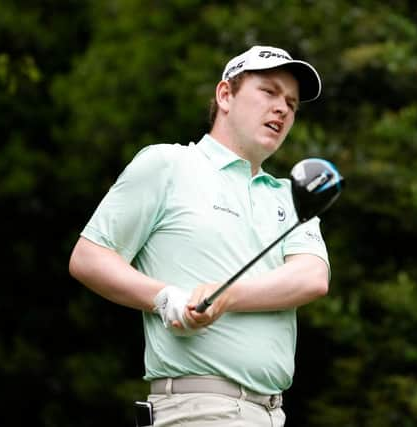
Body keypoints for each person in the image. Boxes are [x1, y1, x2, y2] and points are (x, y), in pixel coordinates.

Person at [69, 45, 330, 426]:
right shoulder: (168, 165)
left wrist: (226, 294)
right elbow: (89, 257)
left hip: (272, 414)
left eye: (291, 103)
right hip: (200, 409)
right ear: (225, 95)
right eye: (269, 92)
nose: (282, 108)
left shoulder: (291, 196)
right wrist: (164, 298)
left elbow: (312, 278)